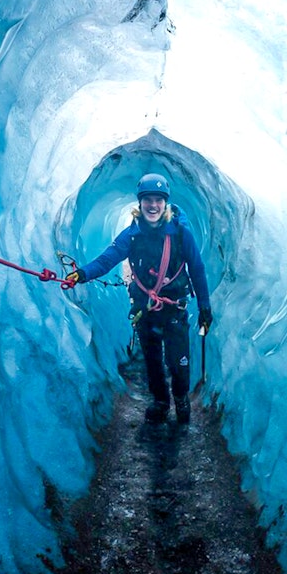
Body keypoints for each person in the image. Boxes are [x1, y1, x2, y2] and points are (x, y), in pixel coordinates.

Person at [67, 173, 213, 424]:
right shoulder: (131, 235)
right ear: (140, 203)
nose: (153, 205)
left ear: (165, 203)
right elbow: (106, 260)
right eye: (148, 200)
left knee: (178, 362)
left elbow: (197, 269)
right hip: (145, 308)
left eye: (158, 199)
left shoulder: (180, 233)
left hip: (174, 307)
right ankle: (160, 401)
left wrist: (204, 306)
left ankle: (180, 397)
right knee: (153, 360)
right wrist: (81, 274)